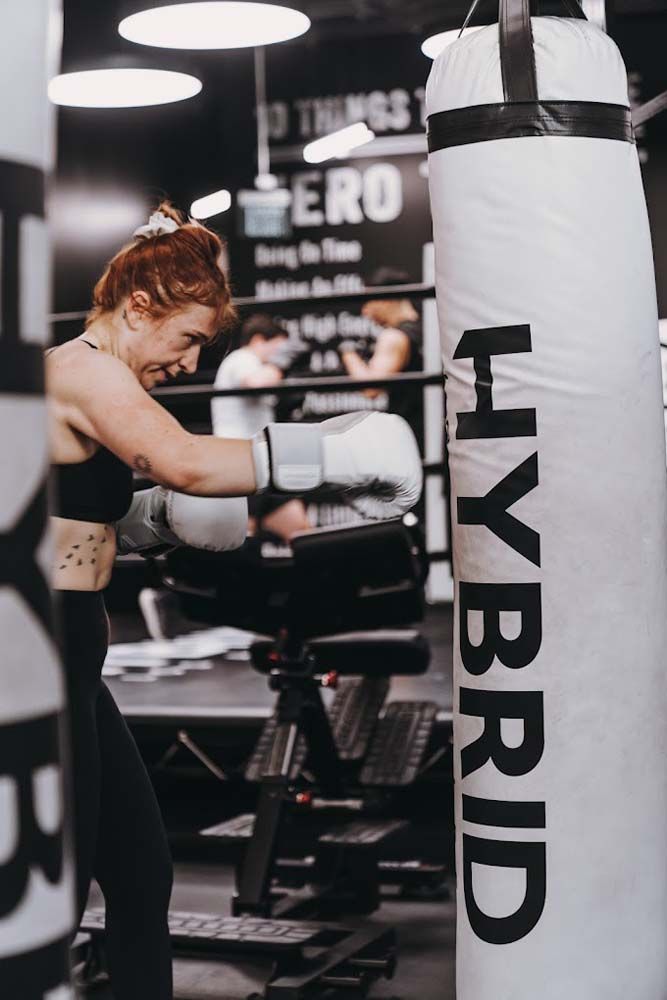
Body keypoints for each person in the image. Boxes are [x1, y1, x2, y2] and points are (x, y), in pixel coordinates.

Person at [45, 202, 423, 1000]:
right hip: (37, 653)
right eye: (187, 339)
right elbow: (183, 460)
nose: (189, 363)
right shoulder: (81, 370)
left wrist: (151, 520)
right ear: (138, 308)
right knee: (58, 885)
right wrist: (336, 454)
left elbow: (61, 514)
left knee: (140, 869)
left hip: (73, 652)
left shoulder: (93, 380)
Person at [211, 313, 310, 540]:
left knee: (300, 531)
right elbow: (256, 383)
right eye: (279, 348)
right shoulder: (242, 358)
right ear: (258, 341)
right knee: (242, 535)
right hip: (239, 463)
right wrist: (281, 363)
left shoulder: (259, 366)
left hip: (263, 464)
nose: (280, 355)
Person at [338, 266, 424, 449]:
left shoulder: (393, 336)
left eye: (368, 301)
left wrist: (348, 354)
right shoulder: (428, 329)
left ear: (386, 298)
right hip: (433, 431)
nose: (365, 311)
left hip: (411, 436)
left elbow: (370, 388)